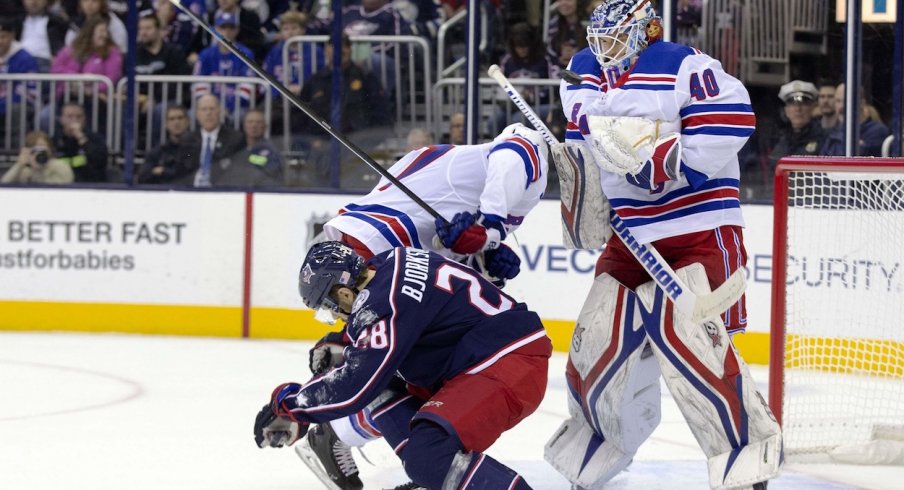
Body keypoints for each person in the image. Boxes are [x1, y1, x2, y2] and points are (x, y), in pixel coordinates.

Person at [550, 1, 782, 489]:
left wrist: (670, 160)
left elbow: (734, 118)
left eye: (615, 37)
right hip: (629, 233)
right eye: (598, 37)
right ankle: (600, 444)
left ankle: (746, 453)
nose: (603, 47)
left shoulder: (683, 65)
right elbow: (586, 146)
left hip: (697, 224)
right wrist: (586, 196)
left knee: (694, 342)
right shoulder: (582, 73)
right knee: (596, 342)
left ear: (646, 31)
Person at [288, 123, 549, 489]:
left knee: (398, 367)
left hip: (380, 248)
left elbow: (448, 280)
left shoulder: (474, 184)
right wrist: (488, 228)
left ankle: (401, 455)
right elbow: (521, 147)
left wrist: (486, 261)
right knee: (380, 366)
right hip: (375, 240)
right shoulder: (510, 164)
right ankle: (343, 431)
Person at [253, 241, 552, 490]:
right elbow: (396, 316)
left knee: (427, 456)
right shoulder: (393, 259)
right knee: (386, 389)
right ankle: (436, 479)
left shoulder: (383, 306)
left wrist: (289, 406)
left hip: (506, 362)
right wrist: (345, 340)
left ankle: (433, 469)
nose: (337, 317)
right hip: (489, 353)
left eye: (331, 311)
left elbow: (354, 386)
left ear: (343, 293)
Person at [262, 10, 325, 135]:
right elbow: (266, 79)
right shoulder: (274, 52)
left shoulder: (315, 51)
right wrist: (281, 91)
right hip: (280, 100)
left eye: (294, 28)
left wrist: (304, 89)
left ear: (303, 30)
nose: (290, 32)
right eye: (286, 29)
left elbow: (323, 77)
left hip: (308, 99)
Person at [763, 80, 824, 194]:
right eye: (792, 103)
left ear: (813, 108)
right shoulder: (778, 139)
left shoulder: (824, 138)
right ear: (786, 110)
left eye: (804, 103)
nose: (798, 109)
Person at [174, 93, 244, 187]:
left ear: (220, 111)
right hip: (191, 191)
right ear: (197, 114)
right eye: (204, 109)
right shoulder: (187, 139)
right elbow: (181, 170)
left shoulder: (235, 138)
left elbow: (235, 171)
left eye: (212, 109)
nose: (208, 113)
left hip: (222, 190)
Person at [191, 11, 254, 114]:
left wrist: (229, 107)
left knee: (241, 115)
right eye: (223, 28)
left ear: (237, 30)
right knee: (193, 114)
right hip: (209, 107)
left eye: (231, 28)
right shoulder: (206, 54)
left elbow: (247, 87)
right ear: (216, 29)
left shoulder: (246, 54)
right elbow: (198, 85)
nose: (226, 32)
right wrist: (212, 107)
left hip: (236, 108)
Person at [819, 82, 890, 157]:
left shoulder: (877, 131)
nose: (841, 106)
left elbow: (856, 156)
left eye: (846, 101)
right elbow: (822, 161)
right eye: (838, 101)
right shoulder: (833, 132)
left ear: (862, 103)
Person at [0, 18, 39, 148]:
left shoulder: (24, 58)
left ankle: (16, 153)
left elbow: (29, 92)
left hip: (19, 104)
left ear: (12, 36)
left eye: (3, 37)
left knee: (15, 110)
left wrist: (3, 104)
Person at [219, 108, 283, 186]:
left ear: (265, 126)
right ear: (244, 126)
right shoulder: (236, 148)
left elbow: (271, 177)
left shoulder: (271, 152)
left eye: (258, 122)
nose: (254, 125)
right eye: (250, 122)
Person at [52, 102, 109, 182]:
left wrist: (81, 137)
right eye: (69, 117)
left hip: (89, 185)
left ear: (84, 119)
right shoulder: (55, 140)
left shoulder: (95, 139)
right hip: (61, 185)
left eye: (79, 117)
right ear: (62, 119)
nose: (74, 120)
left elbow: (99, 161)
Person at [137, 105, 189, 184]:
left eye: (180, 118)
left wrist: (163, 171)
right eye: (172, 119)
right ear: (166, 124)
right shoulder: (157, 152)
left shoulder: (197, 148)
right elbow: (142, 177)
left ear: (187, 121)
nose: (176, 122)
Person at [2, 130, 74, 184]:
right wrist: (19, 165)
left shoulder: (60, 166)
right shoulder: (25, 171)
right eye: (34, 147)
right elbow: (4, 186)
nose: (38, 151)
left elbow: (60, 189)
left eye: (41, 146)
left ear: (49, 148)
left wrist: (39, 171)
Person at [18, 0, 69, 72]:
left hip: (45, 62)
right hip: (20, 62)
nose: (33, 2)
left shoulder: (57, 22)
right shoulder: (17, 22)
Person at [63, 0, 128, 54]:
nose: (89, 5)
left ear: (101, 3)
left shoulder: (112, 22)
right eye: (85, 1)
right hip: (80, 61)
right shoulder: (77, 23)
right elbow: (69, 45)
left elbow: (121, 47)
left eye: (94, 1)